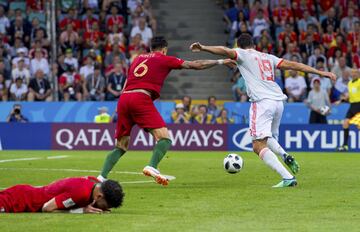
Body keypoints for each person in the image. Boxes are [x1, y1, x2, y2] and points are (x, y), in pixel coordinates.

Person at [190, 33, 336, 187]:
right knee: (269, 137)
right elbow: (294, 65)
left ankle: (288, 178)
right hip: (278, 102)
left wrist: (203, 47)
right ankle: (285, 155)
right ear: (253, 44)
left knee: (258, 145)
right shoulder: (268, 57)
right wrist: (321, 73)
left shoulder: (243, 54)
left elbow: (224, 50)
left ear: (238, 46)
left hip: (262, 102)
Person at [97, 36, 235, 185]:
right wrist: (221, 61)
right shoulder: (164, 58)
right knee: (164, 138)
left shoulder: (137, 59)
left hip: (124, 99)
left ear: (150, 48)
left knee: (121, 146)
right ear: (164, 49)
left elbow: (127, 81)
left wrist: (120, 106)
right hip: (141, 98)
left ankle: (101, 177)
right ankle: (152, 166)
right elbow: (196, 64)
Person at [0, 176, 124, 213]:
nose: (104, 208)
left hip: (24, 192)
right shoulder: (81, 193)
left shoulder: (94, 183)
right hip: (16, 201)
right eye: (105, 205)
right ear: (99, 196)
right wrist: (81, 211)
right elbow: (46, 208)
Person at [337, 69, 360, 151]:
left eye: (355, 73)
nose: (354, 74)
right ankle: (345, 145)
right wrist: (341, 100)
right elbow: (349, 95)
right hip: (352, 106)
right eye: (352, 73)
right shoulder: (349, 83)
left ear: (358, 74)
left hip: (359, 105)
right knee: (345, 123)